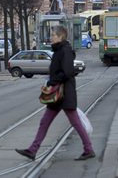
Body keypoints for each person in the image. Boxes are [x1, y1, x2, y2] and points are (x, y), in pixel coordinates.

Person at [15, 25, 95, 161]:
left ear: (61, 36)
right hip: (57, 95)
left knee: (75, 122)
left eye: (53, 35)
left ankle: (89, 149)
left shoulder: (66, 51)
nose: (50, 37)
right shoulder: (59, 50)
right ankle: (33, 150)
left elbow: (67, 72)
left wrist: (52, 81)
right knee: (44, 122)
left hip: (65, 93)